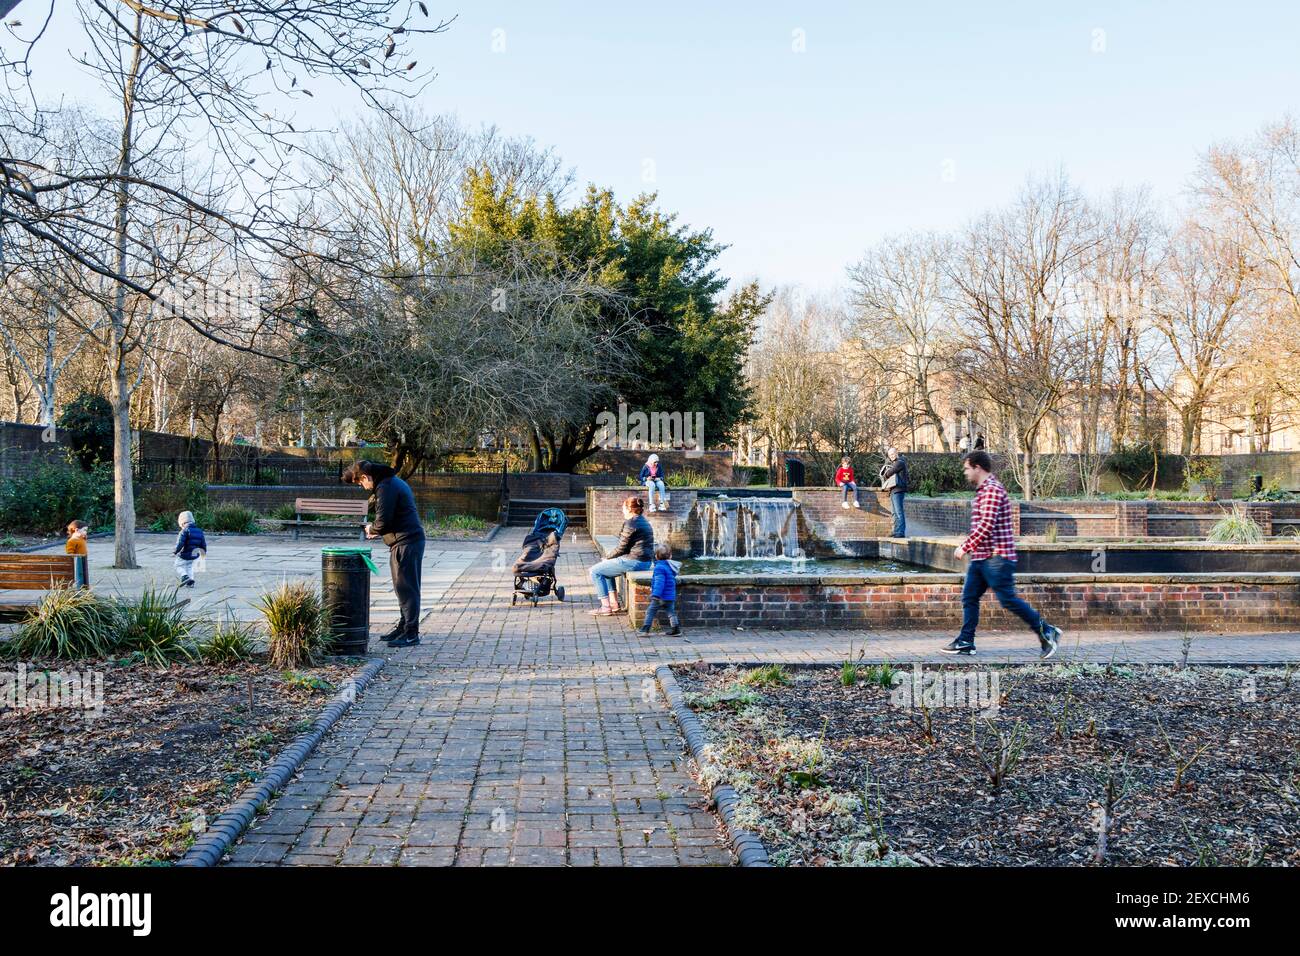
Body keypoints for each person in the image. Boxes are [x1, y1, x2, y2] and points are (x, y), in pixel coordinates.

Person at [941, 450, 1063, 658]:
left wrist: (965, 546)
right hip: (982, 558)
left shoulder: (992, 490)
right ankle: (966, 641)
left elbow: (987, 524)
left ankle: (1047, 631)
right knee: (969, 597)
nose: (965, 473)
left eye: (967, 468)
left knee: (1008, 600)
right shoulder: (983, 490)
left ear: (977, 467)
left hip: (997, 558)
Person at [352, 460, 426, 647]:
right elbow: (393, 517)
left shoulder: (385, 487)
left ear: (365, 477)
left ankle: (411, 633)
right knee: (404, 588)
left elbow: (383, 521)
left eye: (361, 483)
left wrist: (372, 529)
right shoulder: (392, 482)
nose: (363, 487)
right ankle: (404, 627)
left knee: (406, 589)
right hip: (407, 541)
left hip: (406, 542)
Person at [588, 495, 653, 616]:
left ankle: (605, 607)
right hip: (645, 560)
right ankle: (613, 604)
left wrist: (607, 557)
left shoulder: (631, 523)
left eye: (623, 507)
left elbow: (621, 548)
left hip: (635, 561)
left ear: (629, 509)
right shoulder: (643, 520)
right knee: (606, 569)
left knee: (595, 571)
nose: (622, 510)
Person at [638, 542, 681, 637]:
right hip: (670, 596)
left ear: (656, 556)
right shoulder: (670, 567)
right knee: (671, 613)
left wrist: (656, 595)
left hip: (660, 596)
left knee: (650, 611)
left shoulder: (659, 568)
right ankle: (676, 629)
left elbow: (659, 582)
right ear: (670, 556)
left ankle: (645, 629)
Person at [879, 447, 909, 538]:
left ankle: (900, 532)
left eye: (893, 454)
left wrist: (886, 474)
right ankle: (896, 531)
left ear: (897, 453)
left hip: (898, 490)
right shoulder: (894, 463)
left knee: (898, 512)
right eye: (890, 455)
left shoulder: (900, 462)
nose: (891, 456)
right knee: (894, 512)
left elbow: (888, 473)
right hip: (893, 490)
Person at [173, 511, 207, 588]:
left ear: (182, 523)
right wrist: (203, 552)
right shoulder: (199, 531)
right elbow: (203, 544)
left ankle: (184, 576)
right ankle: (190, 582)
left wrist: (175, 551)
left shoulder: (184, 531)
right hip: (194, 554)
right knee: (189, 567)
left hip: (184, 554)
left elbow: (180, 543)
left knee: (178, 565)